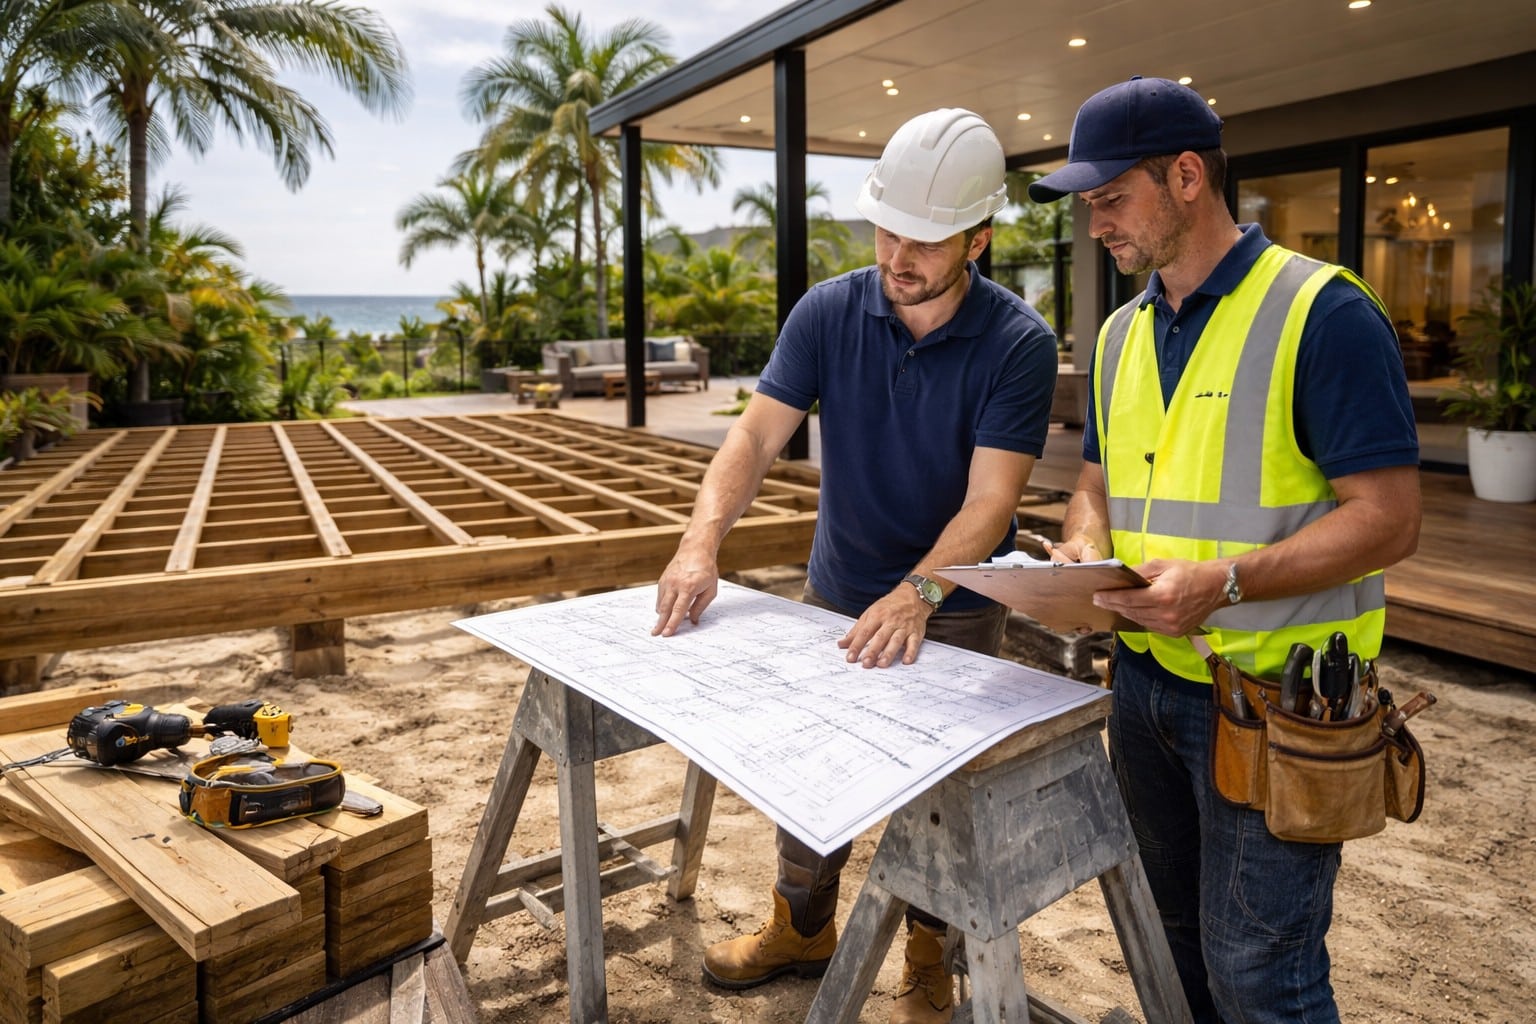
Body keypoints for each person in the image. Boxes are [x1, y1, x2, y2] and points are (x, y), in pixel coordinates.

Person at [1027, 77, 1421, 1023]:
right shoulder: (1121, 336)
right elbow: (1097, 482)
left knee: (1259, 974)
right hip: (1148, 685)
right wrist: (1082, 552)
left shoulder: (1322, 313)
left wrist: (1228, 581)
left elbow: (1391, 518)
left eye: (1112, 200)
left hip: (1276, 704)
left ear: (1189, 176)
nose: (1097, 227)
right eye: (1087, 207)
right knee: (1170, 944)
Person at [651, 108, 1058, 1024]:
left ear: (980, 238)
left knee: (944, 797)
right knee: (813, 772)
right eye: (886, 228)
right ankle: (802, 927)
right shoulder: (829, 309)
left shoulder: (1019, 343)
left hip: (954, 601)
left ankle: (927, 956)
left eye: (925, 238)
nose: (899, 252)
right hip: (835, 588)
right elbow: (755, 438)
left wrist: (918, 593)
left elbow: (991, 503)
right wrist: (698, 542)